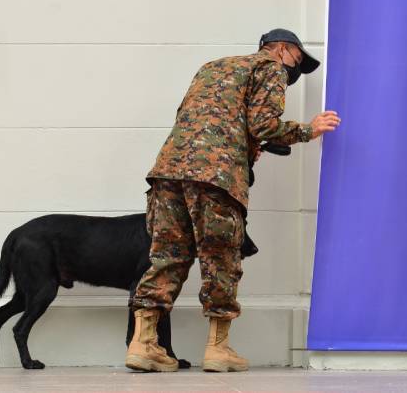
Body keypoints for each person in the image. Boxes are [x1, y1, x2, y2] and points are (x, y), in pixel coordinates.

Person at [125, 29, 341, 372]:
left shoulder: (212, 67)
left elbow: (194, 118)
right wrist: (308, 130)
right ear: (281, 50)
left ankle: (143, 344)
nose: (294, 71)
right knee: (221, 259)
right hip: (216, 178)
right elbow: (264, 125)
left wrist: (247, 147)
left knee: (167, 256)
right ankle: (218, 349)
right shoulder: (270, 67)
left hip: (168, 172)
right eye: (297, 60)